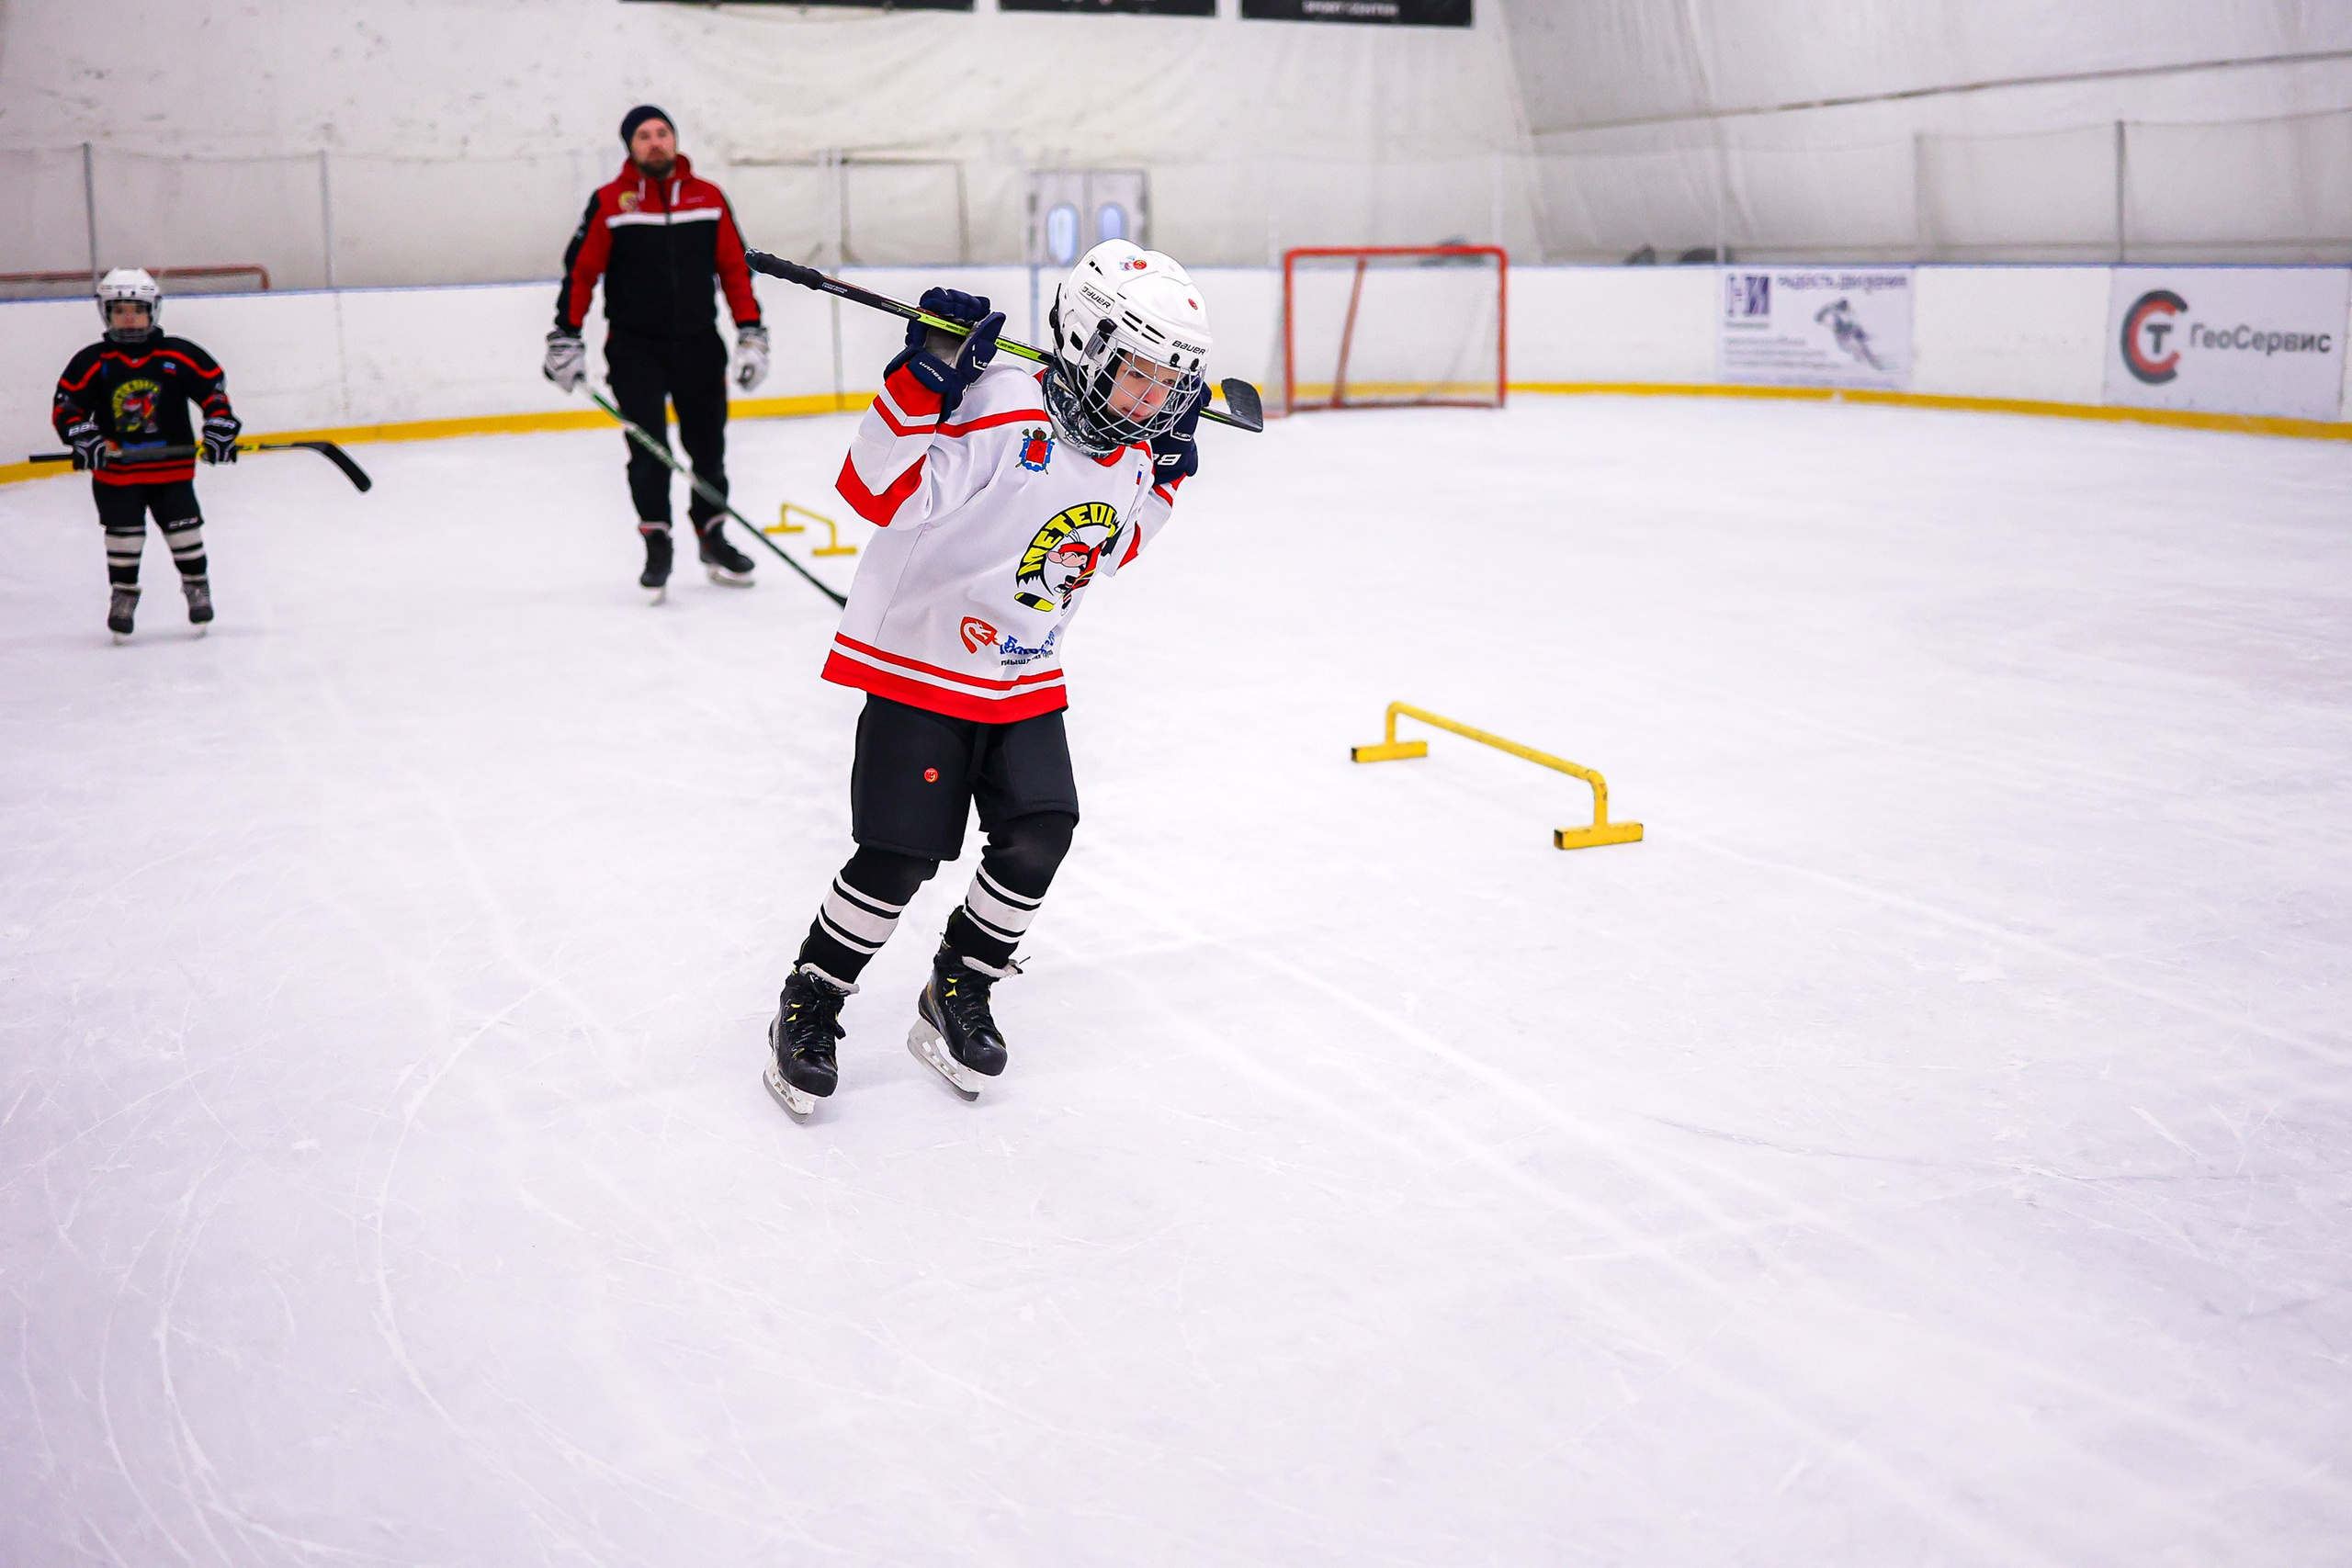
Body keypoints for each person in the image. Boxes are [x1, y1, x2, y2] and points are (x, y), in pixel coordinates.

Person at [763, 239, 1213, 1118]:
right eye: (1139, 377)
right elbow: (873, 492)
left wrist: (1164, 482)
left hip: (1021, 672)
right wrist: (923, 378)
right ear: (1085, 346)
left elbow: (1108, 550)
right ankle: (812, 996)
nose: (1154, 402)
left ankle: (957, 986)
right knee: (897, 859)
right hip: (923, 664)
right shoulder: (999, 404)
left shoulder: (1132, 448)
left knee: (1041, 832)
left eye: (1169, 387)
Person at [543, 104, 767, 600]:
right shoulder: (611, 202)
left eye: (662, 132)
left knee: (709, 449)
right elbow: (581, 274)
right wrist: (566, 334)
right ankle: (657, 542)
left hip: (699, 346)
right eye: (644, 135)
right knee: (649, 452)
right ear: (630, 146)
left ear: (675, 139)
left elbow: (733, 270)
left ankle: (712, 536)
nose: (655, 142)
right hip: (634, 348)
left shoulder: (708, 198)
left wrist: (750, 331)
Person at [51, 268, 241, 642]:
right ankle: (123, 594)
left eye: (137, 310)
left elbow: (214, 393)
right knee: (123, 537)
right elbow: (66, 407)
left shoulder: (177, 355)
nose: (129, 318)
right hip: (117, 476)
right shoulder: (93, 361)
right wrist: (83, 435)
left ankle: (196, 585)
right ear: (105, 313)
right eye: (119, 310)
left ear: (153, 310)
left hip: (172, 472)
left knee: (185, 531)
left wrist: (220, 425)